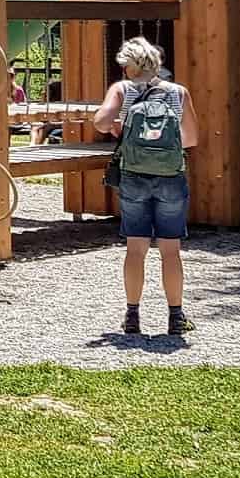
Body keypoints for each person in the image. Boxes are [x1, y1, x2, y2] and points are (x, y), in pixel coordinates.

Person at [91, 37, 202, 335]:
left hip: (134, 176)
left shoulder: (122, 90)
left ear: (129, 66)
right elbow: (190, 139)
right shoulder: (178, 93)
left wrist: (120, 126)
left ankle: (132, 316)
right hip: (171, 177)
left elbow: (100, 122)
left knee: (136, 248)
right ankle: (176, 317)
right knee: (170, 250)